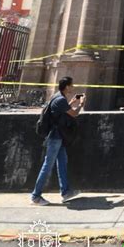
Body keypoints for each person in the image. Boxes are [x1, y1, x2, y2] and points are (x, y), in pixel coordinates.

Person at [31, 76, 85, 205]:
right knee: (48, 165)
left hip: (59, 136)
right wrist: (81, 104)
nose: (72, 88)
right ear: (67, 86)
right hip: (55, 136)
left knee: (62, 162)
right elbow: (74, 114)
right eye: (71, 85)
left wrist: (71, 103)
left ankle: (66, 191)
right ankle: (36, 196)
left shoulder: (58, 97)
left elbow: (61, 112)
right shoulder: (60, 99)